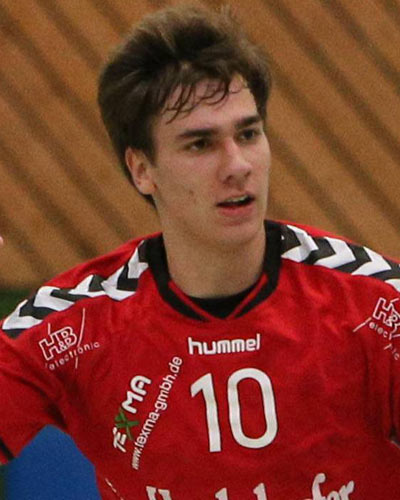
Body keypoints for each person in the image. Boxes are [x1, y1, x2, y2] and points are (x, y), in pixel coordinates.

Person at [1, 4, 400, 499]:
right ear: (142, 170)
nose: (238, 165)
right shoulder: (74, 328)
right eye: (200, 144)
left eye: (248, 134)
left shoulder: (375, 307)